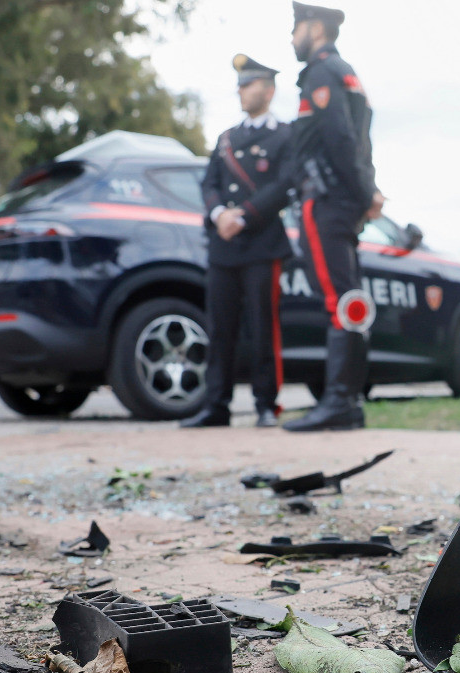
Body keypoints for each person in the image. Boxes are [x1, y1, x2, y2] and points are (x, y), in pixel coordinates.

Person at [281, 1, 385, 432]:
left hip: (324, 203)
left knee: (338, 303)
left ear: (315, 28)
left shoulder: (321, 73)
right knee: (351, 302)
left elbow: (341, 139)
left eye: (295, 29)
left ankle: (339, 402)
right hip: (344, 202)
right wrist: (367, 192)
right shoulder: (347, 73)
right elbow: (362, 144)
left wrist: (367, 192)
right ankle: (349, 403)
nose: (291, 39)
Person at [181, 54, 294, 429]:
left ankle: (266, 405)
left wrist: (244, 214)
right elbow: (209, 183)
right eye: (240, 86)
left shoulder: (285, 135)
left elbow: (285, 185)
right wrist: (219, 215)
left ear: (269, 88)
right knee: (220, 327)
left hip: (262, 243)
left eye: (249, 85)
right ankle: (216, 405)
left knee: (263, 326)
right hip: (223, 246)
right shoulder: (227, 138)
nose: (242, 91)